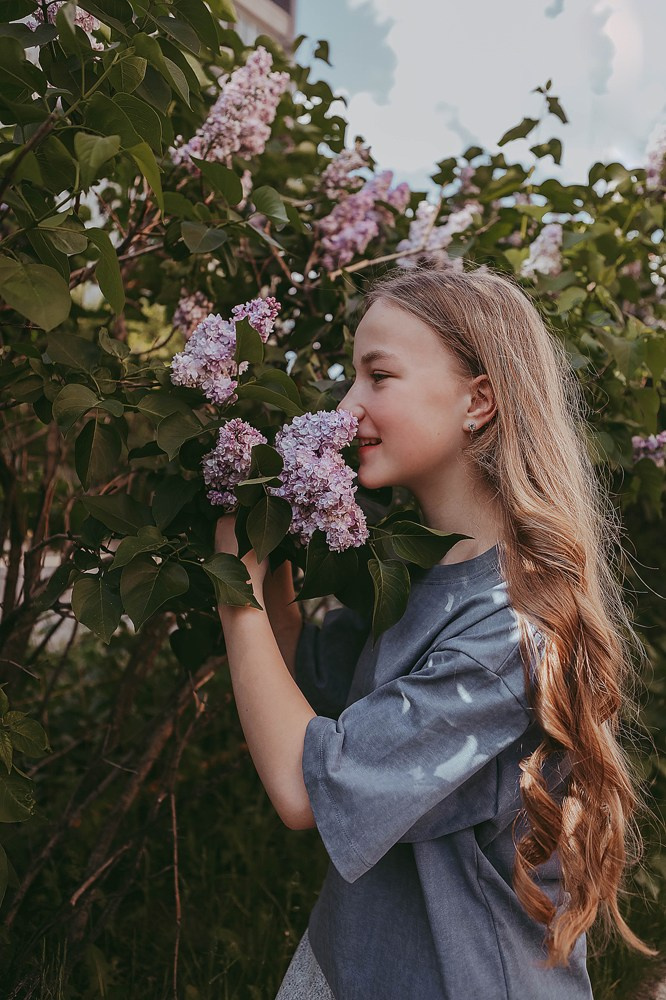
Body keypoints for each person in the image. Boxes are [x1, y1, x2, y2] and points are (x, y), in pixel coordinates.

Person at [214, 263, 655, 1000]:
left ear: (477, 400)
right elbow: (299, 685)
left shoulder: (509, 635)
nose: (347, 406)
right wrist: (270, 538)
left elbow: (304, 786)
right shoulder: (420, 569)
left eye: (377, 377)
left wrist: (235, 584)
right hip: (358, 958)